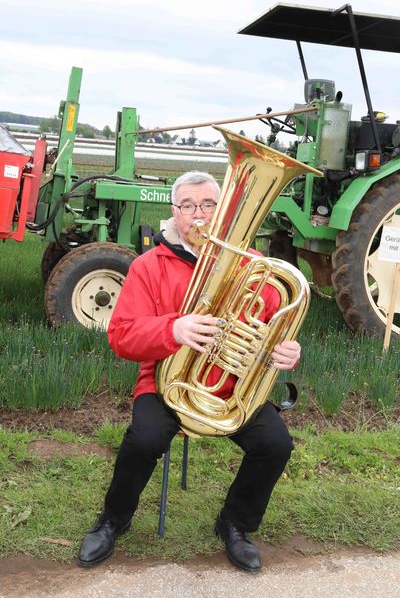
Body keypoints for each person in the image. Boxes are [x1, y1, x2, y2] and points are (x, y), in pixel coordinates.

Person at [78, 171, 301, 573]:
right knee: (144, 439)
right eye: (188, 206)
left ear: (221, 212)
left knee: (276, 444)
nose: (197, 215)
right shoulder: (149, 266)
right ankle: (113, 519)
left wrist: (283, 352)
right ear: (174, 213)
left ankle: (235, 523)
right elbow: (121, 336)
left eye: (208, 205)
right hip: (167, 384)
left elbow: (272, 328)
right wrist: (173, 328)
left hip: (231, 390)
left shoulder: (252, 265)